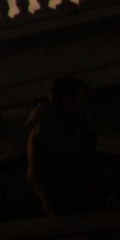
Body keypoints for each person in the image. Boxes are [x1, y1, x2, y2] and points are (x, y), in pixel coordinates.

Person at [26, 76, 103, 216]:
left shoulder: (65, 126)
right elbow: (71, 167)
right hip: (68, 210)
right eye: (83, 97)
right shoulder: (51, 128)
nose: (87, 103)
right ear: (67, 100)